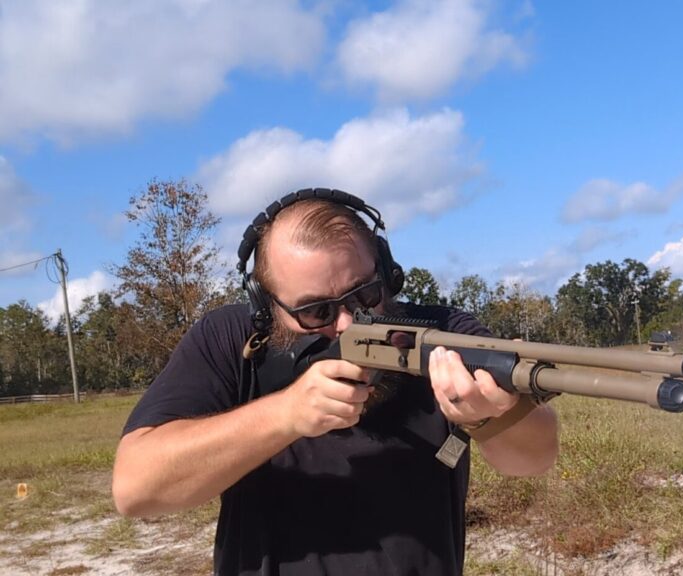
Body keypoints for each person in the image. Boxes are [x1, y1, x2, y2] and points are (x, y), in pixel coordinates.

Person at [111, 189, 559, 575]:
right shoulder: (231, 339)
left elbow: (537, 455)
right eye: (316, 311)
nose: (347, 323)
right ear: (266, 306)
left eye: (366, 293)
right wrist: (286, 415)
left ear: (385, 268)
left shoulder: (440, 332)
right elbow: (136, 488)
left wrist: (492, 418)